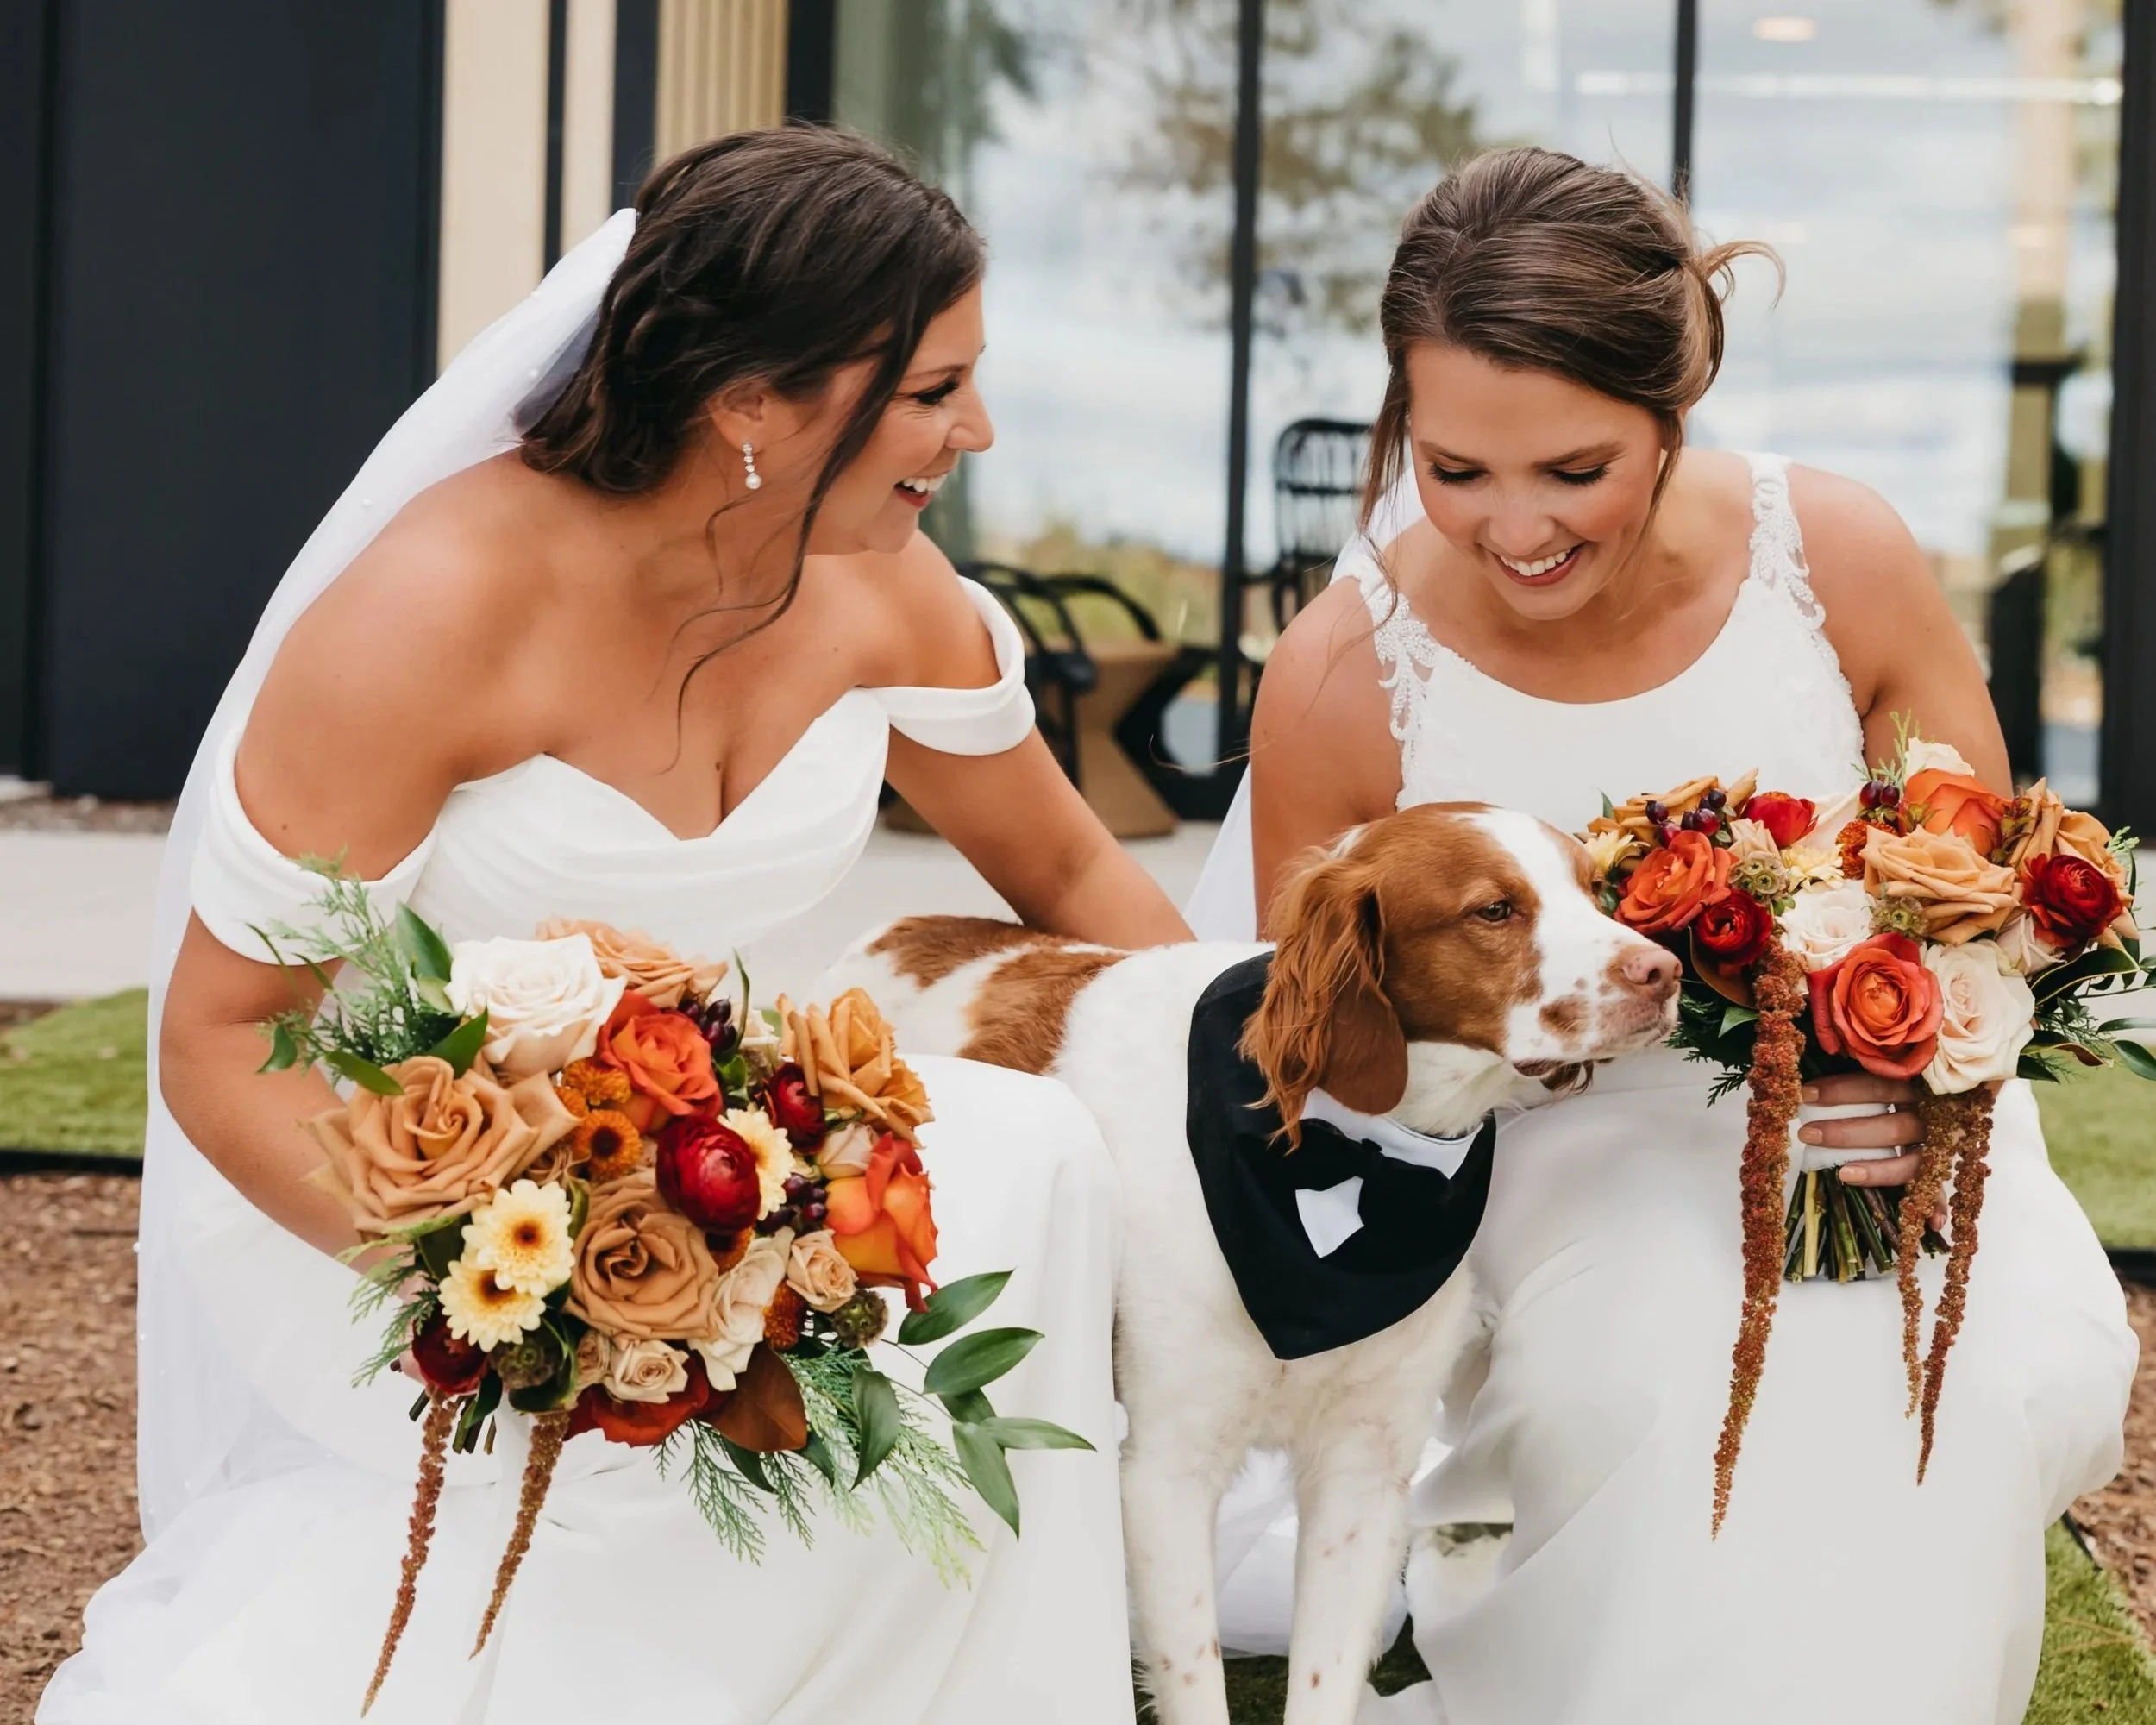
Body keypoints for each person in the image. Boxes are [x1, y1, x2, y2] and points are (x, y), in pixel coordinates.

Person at [42, 128, 1186, 1725]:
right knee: (667, 1477)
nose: (974, 432)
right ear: (753, 406)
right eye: (931, 390)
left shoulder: (882, 591)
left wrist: (1254, 1073)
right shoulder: (440, 611)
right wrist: (533, 1297)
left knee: (1028, 1159)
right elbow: (223, 1039)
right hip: (401, 1196)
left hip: (711, 1157)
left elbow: (1076, 889)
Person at [1187, 147, 2135, 1722]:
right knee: (1678, 1360)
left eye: (1573, 469)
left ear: (1671, 409)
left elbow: (1993, 892)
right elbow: (1326, 1049)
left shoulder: (1838, 560)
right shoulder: (1346, 673)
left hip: (1911, 1124)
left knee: (1953, 1373)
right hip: (1564, 1153)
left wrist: (1920, 1076)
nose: (1515, 530)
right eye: (1453, 470)